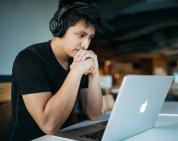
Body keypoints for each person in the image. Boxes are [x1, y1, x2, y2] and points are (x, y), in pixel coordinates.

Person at [6, 0, 104, 140]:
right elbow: (49, 126)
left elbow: (94, 115)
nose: (86, 44)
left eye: (90, 37)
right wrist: (76, 72)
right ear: (59, 29)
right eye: (81, 35)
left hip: (63, 137)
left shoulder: (77, 59)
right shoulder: (30, 59)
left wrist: (95, 73)